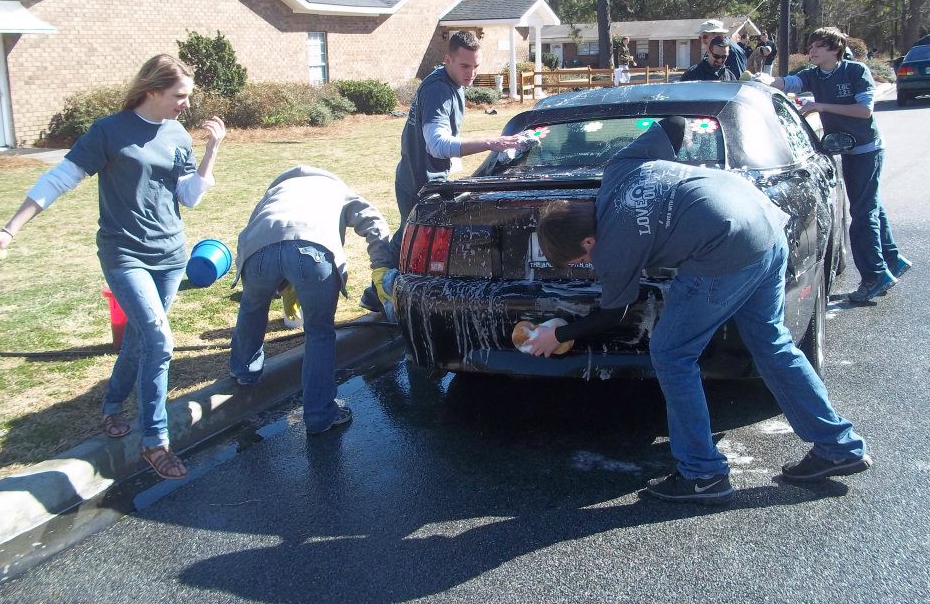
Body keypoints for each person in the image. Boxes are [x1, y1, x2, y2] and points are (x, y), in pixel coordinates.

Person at [527, 116, 871, 503]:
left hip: (725, 249)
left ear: (588, 242)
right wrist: (687, 154)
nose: (586, 265)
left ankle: (702, 474)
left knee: (671, 352)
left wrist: (557, 334)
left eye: (579, 260)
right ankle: (838, 445)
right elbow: (674, 124)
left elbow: (613, 314)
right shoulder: (618, 169)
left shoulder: (611, 248)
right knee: (771, 341)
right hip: (763, 222)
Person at [0, 54, 226, 480]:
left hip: (170, 256)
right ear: (152, 91)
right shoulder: (109, 131)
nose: (186, 104)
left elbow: (189, 197)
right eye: (179, 95)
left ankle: (111, 405)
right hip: (124, 254)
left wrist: (211, 151)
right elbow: (60, 178)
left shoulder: (177, 133)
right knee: (160, 340)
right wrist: (9, 229)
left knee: (142, 339)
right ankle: (155, 440)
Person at [369, 30, 526, 309]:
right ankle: (380, 292)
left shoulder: (452, 83)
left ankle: (376, 293)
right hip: (418, 181)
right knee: (412, 242)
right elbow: (437, 145)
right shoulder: (438, 90)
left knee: (407, 237)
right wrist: (492, 143)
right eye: (465, 66)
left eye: (476, 66)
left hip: (426, 177)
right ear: (447, 60)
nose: (471, 73)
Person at [229, 165, 390, 434]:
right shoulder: (337, 189)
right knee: (319, 332)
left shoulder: (277, 190)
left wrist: (270, 277)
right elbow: (374, 222)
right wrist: (381, 265)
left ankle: (244, 372)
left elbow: (251, 230)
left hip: (258, 253)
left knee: (252, 307)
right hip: (314, 252)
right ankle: (319, 415)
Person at [755, 26, 911, 302]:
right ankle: (892, 260)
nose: (812, 51)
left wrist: (821, 106)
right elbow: (786, 83)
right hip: (846, 150)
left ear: (835, 49)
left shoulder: (856, 71)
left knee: (862, 215)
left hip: (867, 150)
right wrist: (764, 79)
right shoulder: (813, 74)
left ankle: (875, 275)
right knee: (870, 206)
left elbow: (864, 110)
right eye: (811, 46)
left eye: (818, 46)